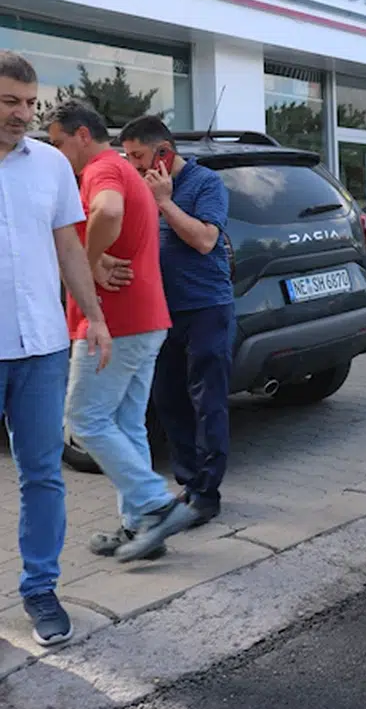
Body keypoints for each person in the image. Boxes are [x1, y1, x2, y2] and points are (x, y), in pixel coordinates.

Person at [47, 100, 200, 564]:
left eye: (57, 143)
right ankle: (142, 524)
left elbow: (108, 212)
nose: (57, 154)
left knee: (85, 418)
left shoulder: (102, 170)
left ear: (81, 136)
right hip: (146, 319)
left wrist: (86, 263)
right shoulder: (124, 169)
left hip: (116, 323)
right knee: (127, 424)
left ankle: (156, 502)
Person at [0, 53, 112, 645]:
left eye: (28, 102)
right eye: (9, 101)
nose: (23, 114)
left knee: (43, 474)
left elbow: (70, 248)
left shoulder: (48, 164)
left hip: (41, 345)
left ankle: (40, 589)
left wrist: (93, 317)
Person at [119, 116, 234, 528]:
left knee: (208, 402)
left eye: (139, 155)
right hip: (159, 311)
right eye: (127, 156)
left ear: (164, 152)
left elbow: (205, 240)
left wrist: (165, 202)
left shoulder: (205, 184)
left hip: (206, 307)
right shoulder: (139, 184)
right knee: (168, 398)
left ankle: (207, 493)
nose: (132, 164)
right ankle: (187, 483)